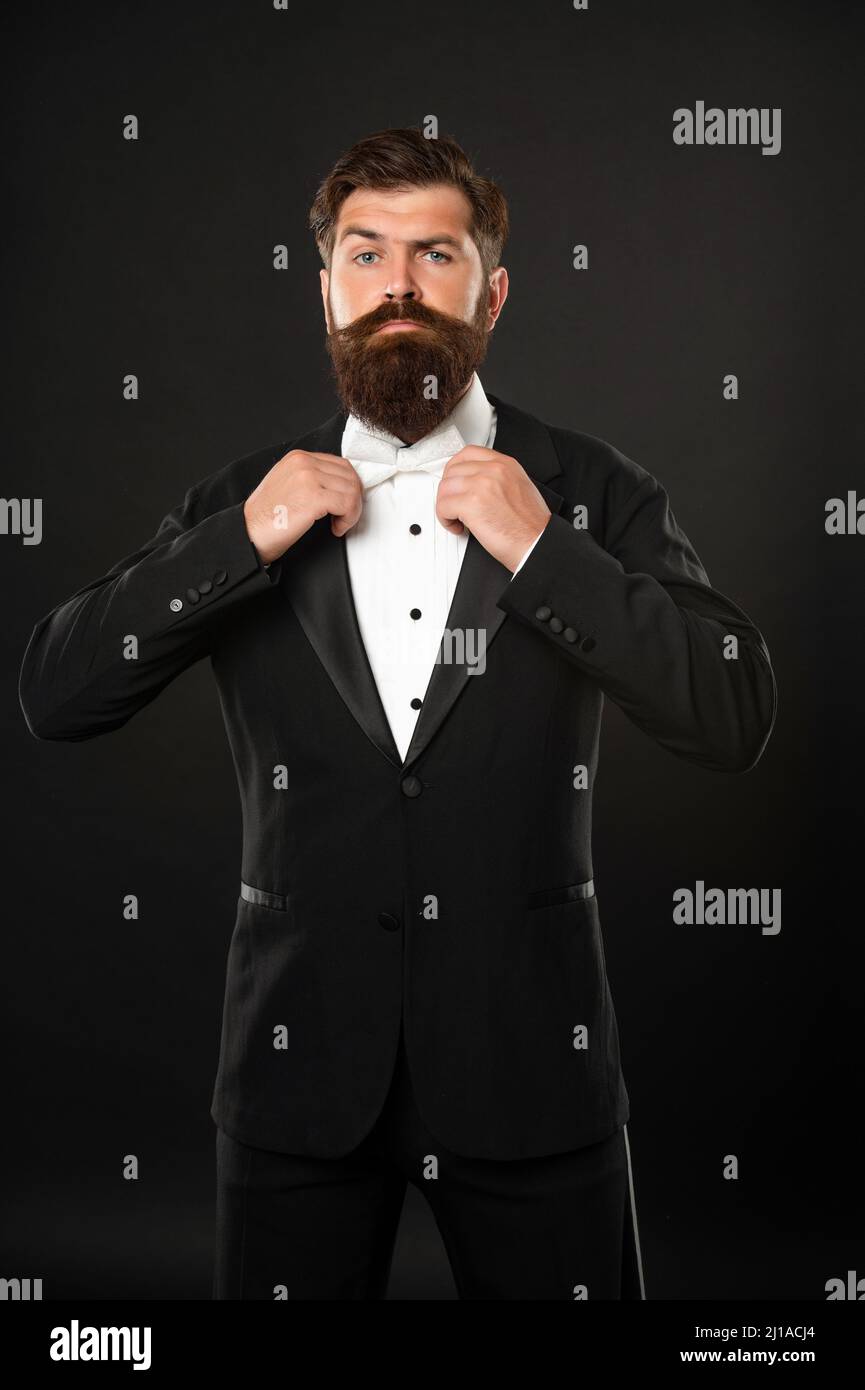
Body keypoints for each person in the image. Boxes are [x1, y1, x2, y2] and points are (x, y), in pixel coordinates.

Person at [19, 127, 777, 1299]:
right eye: (367, 256)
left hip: (534, 1068)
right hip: (294, 1071)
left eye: (435, 254)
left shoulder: (595, 490)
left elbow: (729, 712)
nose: (400, 289)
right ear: (325, 286)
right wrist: (240, 543)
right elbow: (56, 693)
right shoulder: (241, 499)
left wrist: (544, 550)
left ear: (494, 290)